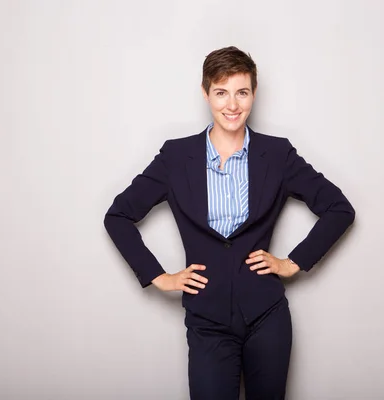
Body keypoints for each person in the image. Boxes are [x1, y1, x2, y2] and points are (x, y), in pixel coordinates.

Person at [103, 46, 355, 400]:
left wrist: (292, 262)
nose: (232, 105)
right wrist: (159, 277)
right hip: (207, 320)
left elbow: (338, 208)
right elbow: (118, 216)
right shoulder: (176, 157)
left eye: (242, 92)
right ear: (206, 94)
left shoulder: (277, 154)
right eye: (221, 93)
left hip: (267, 315)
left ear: (254, 93)